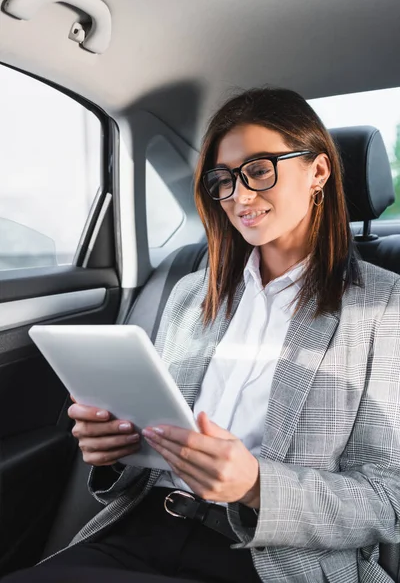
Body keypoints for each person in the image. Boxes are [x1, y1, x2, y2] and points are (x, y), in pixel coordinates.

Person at [4, 88, 400, 583]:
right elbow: (161, 435)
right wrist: (116, 448)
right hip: (146, 526)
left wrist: (256, 486)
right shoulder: (193, 292)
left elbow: (388, 500)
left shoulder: (385, 307)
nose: (239, 195)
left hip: (274, 559)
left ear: (318, 171)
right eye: (224, 180)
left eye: (259, 170)